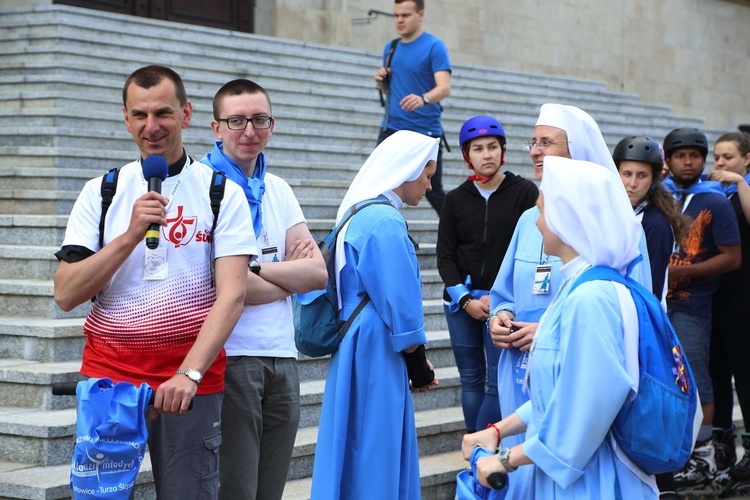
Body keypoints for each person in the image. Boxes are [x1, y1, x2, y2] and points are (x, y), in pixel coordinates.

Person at [53, 65, 258, 499]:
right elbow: (67, 293)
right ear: (126, 119)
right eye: (140, 115)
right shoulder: (101, 192)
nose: (152, 127)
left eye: (163, 113)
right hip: (110, 382)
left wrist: (190, 372)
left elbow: (233, 295)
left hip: (188, 384)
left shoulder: (221, 192)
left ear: (185, 114)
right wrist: (128, 236)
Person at [463, 156, 659, 499]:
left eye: (541, 212)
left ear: (567, 220)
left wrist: (508, 459)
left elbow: (587, 411)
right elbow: (559, 392)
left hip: (591, 479)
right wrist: (498, 429)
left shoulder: (590, 299)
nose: (536, 223)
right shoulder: (580, 287)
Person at [200, 79, 328, 500]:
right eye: (236, 120)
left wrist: (260, 271)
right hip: (231, 356)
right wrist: (283, 274)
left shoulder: (279, 189)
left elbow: (317, 274)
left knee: (270, 489)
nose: (249, 130)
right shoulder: (202, 188)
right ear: (216, 127)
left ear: (271, 124)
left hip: (282, 357)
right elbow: (229, 288)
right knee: (237, 488)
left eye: (259, 120)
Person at [310, 131, 440, 499]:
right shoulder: (385, 221)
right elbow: (401, 304)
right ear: (408, 170)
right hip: (375, 341)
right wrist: (419, 363)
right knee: (375, 446)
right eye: (428, 175)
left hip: (357, 339)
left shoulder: (359, 212)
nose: (430, 186)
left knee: (354, 442)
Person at [437, 115, 537, 433]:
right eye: (478, 149)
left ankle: (489, 448)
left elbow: (531, 247)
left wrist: (501, 296)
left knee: (497, 382)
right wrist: (465, 300)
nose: (487, 154)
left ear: (503, 150)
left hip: (504, 304)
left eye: (493, 147)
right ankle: (475, 449)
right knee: (470, 381)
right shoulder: (454, 199)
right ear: (468, 156)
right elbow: (445, 257)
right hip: (461, 302)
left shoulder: (524, 192)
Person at [660, 127, 741, 497]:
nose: (688, 161)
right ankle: (676, 448)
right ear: (669, 160)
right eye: (680, 155)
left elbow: (732, 258)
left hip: (693, 305)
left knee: (696, 376)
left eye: (695, 155)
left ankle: (704, 453)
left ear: (703, 159)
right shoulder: (661, 196)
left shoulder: (716, 201)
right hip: (658, 304)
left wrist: (680, 272)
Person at [613, 135, 692, 499]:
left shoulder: (655, 223)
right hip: (621, 321)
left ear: (654, 178)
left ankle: (663, 489)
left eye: (641, 176)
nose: (632, 183)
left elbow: (647, 288)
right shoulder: (616, 210)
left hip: (644, 329)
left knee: (644, 419)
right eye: (626, 173)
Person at [373, 0, 451, 215]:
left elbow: (444, 87)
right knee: (379, 186)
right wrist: (381, 81)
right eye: (396, 15)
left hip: (425, 131)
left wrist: (423, 98)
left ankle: (462, 237)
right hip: (392, 129)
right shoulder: (391, 47)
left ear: (421, 14)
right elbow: (389, 92)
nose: (399, 20)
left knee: (434, 192)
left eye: (405, 15)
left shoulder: (435, 46)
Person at [706, 131, 750, 496]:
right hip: (715, 299)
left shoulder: (742, 190)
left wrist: (739, 183)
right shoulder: (714, 193)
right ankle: (721, 452)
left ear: (747, 159)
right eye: (717, 158)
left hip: (745, 300)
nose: (720, 164)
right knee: (716, 376)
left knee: (746, 378)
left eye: (729, 158)